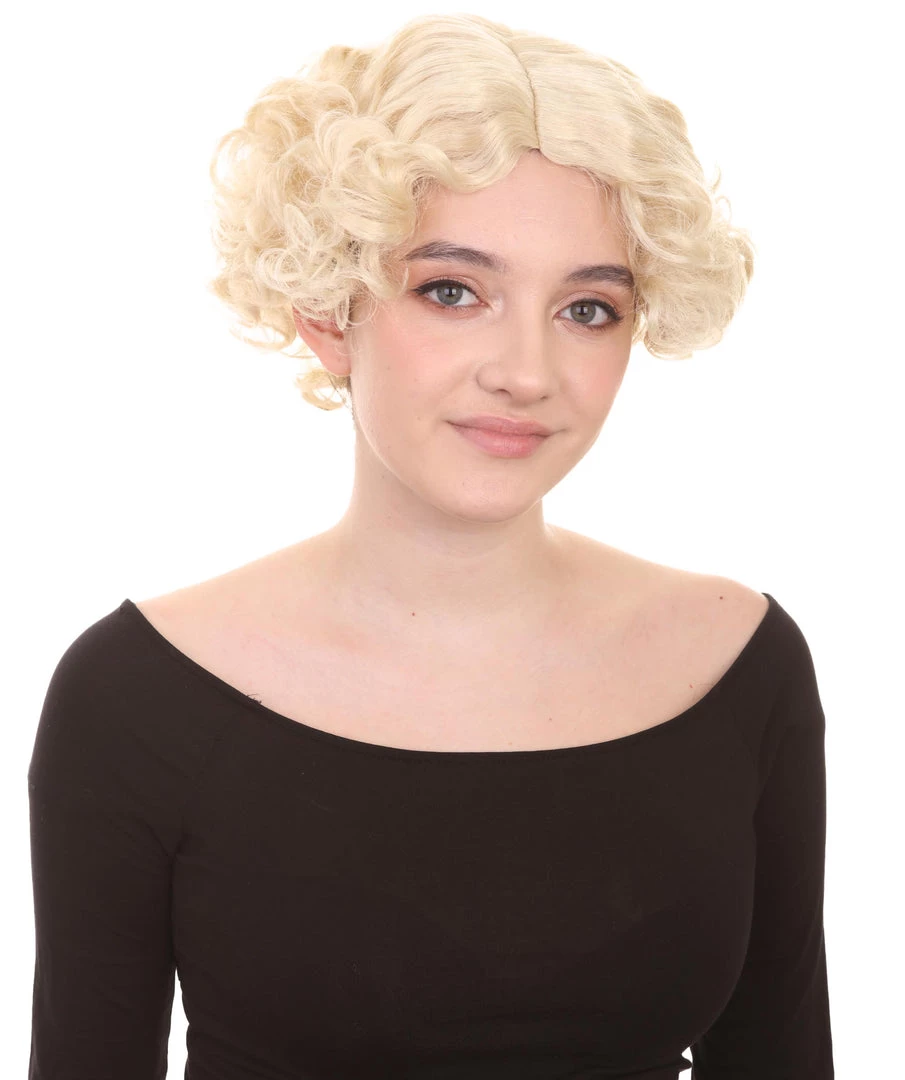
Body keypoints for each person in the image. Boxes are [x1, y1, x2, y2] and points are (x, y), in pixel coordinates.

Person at [26, 12, 834, 1079]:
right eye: (452, 291)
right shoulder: (141, 695)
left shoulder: (736, 664)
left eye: (587, 308)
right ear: (328, 310)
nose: (525, 372)